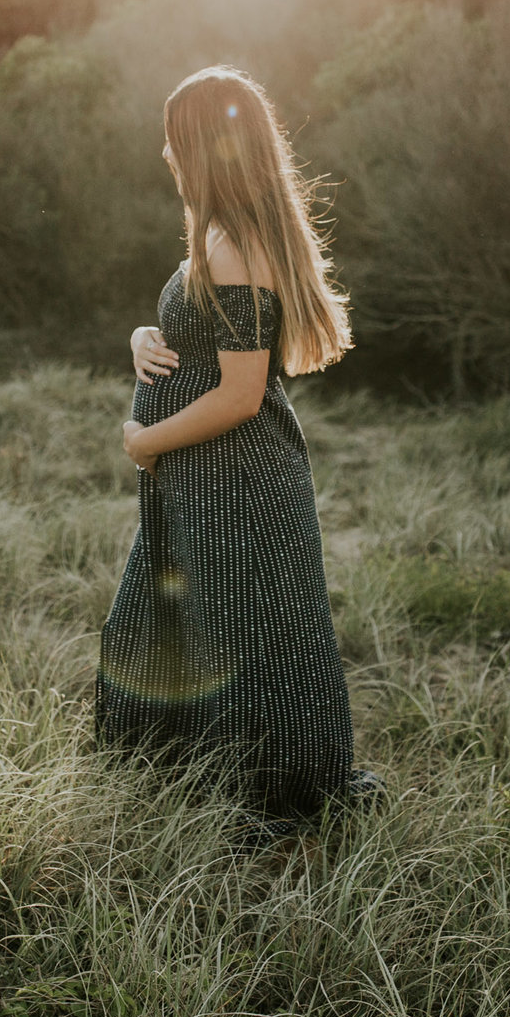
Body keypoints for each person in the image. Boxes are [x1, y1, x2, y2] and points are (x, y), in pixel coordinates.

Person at [97, 64, 376, 841]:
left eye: (173, 139)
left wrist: (143, 439)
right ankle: (187, 774)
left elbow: (242, 392)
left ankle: (266, 792)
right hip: (204, 479)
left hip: (237, 479)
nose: (164, 153)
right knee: (203, 623)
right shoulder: (220, 235)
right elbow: (203, 337)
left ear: (203, 147)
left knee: (248, 634)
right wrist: (145, 336)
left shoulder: (237, 243)